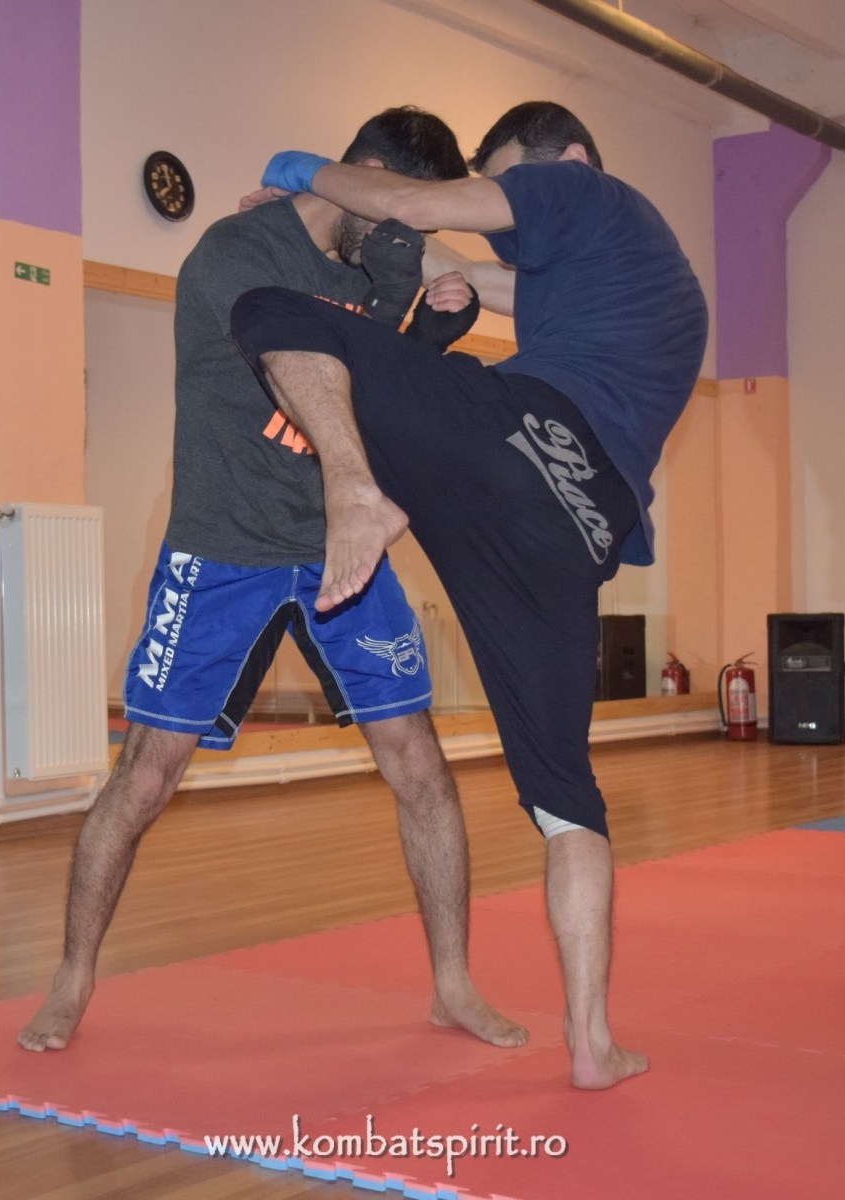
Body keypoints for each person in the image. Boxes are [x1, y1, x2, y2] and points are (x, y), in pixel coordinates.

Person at [18, 108, 522, 1054]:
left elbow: (371, 397)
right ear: (357, 175)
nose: (405, 233)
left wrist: (430, 336)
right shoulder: (235, 251)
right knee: (147, 773)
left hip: (341, 543)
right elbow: (300, 379)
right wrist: (392, 321)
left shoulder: (376, 262)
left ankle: (454, 983)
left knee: (419, 762)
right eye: (397, 209)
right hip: (224, 545)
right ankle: (71, 980)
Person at [229, 101, 709, 1089]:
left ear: (566, 159)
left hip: (521, 442)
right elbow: (458, 260)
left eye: (505, 182)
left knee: (268, 311)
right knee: (565, 796)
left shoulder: (589, 191)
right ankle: (592, 1043)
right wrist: (425, 271)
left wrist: (302, 171)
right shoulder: (629, 278)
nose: (500, 210)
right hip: (578, 529)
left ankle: (355, 488)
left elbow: (413, 205)